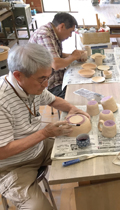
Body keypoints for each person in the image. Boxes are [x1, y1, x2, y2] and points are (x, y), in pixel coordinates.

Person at [0, 43, 90, 210]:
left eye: (48, 77)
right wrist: (45, 133)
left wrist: (73, 108)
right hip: (12, 166)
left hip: (39, 147)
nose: (46, 84)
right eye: (42, 79)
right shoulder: (2, 101)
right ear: (18, 76)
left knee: (87, 154)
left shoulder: (32, 86)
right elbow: (3, 151)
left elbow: (53, 100)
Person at [29, 12, 86, 99]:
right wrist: (73, 56)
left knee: (84, 83)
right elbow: (56, 64)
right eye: (70, 31)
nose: (70, 36)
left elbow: (57, 55)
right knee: (79, 97)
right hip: (48, 84)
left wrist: (73, 56)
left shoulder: (52, 32)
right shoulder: (44, 34)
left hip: (57, 78)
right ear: (62, 26)